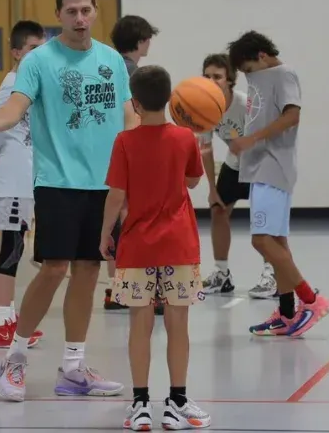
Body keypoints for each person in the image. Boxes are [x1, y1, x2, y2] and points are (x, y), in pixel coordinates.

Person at [0, 0, 140, 402]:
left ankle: (73, 368)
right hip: (57, 181)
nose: (80, 18)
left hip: (104, 185)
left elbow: (128, 116)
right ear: (59, 15)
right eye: (71, 12)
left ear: (95, 11)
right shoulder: (39, 61)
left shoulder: (112, 60)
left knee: (88, 270)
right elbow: (16, 107)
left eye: (86, 10)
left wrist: (146, 152)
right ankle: (15, 358)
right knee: (54, 268)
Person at [100, 64, 212, 431]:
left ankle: (140, 403)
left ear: (134, 102)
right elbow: (193, 181)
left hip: (137, 247)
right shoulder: (185, 138)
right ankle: (177, 402)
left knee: (139, 324)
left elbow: (116, 195)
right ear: (169, 99)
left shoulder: (124, 141)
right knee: (178, 323)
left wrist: (105, 233)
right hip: (179, 245)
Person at [225, 30, 329, 337]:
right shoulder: (260, 77)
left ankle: (311, 300)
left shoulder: (284, 74)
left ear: (262, 56)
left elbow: (292, 116)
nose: (247, 76)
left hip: (272, 167)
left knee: (261, 241)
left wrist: (252, 139)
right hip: (261, 167)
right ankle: (286, 313)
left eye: (248, 69)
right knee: (278, 243)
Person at [0, 20, 48, 349]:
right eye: (32, 48)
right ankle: (0, 322)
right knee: (12, 248)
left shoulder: (29, 83)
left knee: (17, 247)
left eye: (42, 48)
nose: (39, 54)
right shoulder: (13, 84)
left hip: (26, 180)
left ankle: (9, 319)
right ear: (17, 52)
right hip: (14, 180)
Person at [196, 53, 276, 298]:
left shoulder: (245, 104)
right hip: (234, 166)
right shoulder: (204, 108)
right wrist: (211, 189)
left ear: (230, 80)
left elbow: (267, 137)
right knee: (218, 211)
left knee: (263, 219)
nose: (211, 81)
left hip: (261, 164)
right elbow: (206, 149)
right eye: (207, 76)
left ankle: (271, 273)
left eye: (217, 76)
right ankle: (222, 274)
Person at [105, 14, 160, 312]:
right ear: (141, 41)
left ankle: (116, 288)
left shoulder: (108, 67)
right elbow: (138, 118)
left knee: (117, 219)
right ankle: (132, 288)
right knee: (131, 220)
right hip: (129, 151)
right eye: (148, 38)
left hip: (107, 151)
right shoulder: (134, 75)